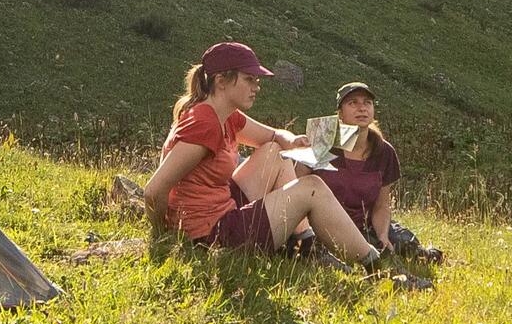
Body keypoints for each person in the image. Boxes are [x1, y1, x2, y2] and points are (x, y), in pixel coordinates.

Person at [142, 42, 388, 275]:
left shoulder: (223, 114)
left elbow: (272, 136)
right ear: (221, 81)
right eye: (249, 79)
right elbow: (154, 191)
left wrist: (291, 140)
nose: (256, 86)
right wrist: (164, 235)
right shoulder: (204, 124)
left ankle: (303, 242)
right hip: (209, 236)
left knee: (273, 152)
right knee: (312, 188)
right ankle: (376, 266)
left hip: (219, 210)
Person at [304, 82, 443, 265]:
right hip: (326, 227)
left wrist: (383, 235)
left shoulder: (384, 152)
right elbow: (299, 186)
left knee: (403, 243)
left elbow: (381, 205)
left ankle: (423, 254)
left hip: (364, 225)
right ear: (340, 113)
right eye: (353, 103)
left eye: (367, 102)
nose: (362, 108)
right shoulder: (322, 142)